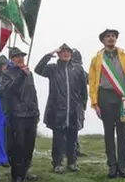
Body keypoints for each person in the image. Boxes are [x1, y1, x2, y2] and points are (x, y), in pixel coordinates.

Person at [87, 30, 125, 178]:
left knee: (122, 133)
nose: (111, 39)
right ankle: (112, 166)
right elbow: (92, 82)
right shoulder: (96, 59)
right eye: (107, 36)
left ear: (116, 39)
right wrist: (95, 103)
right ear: (103, 40)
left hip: (123, 97)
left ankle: (123, 167)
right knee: (108, 133)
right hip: (104, 96)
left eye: (113, 36)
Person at [35, 44, 88, 173]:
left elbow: (83, 90)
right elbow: (38, 69)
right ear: (58, 54)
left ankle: (72, 163)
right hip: (57, 110)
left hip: (74, 110)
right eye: (63, 52)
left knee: (73, 138)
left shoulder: (78, 69)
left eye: (68, 52)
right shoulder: (52, 69)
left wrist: (83, 106)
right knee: (58, 138)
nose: (66, 54)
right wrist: (49, 55)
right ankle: (57, 164)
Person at [0, 47, 40, 182]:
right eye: (17, 56)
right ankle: (17, 176)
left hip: (31, 114)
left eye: (22, 56)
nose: (20, 58)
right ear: (11, 59)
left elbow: (33, 93)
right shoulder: (7, 73)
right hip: (17, 115)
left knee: (29, 146)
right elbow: (9, 90)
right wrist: (22, 74)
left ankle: (26, 171)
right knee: (18, 147)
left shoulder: (29, 73)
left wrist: (36, 111)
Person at [71, 49, 89, 157]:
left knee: (71, 126)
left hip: (75, 101)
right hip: (77, 102)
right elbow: (90, 79)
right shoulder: (79, 69)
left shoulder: (71, 68)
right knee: (74, 126)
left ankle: (73, 148)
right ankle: (73, 149)